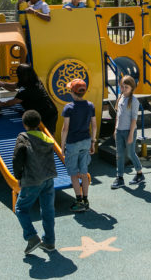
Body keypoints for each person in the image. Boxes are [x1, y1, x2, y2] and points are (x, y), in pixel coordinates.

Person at [13, 110, 57, 255]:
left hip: (32, 179)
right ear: (39, 123)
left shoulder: (23, 137)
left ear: (24, 124)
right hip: (48, 177)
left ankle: (32, 237)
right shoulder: (46, 137)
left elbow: (18, 157)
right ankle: (49, 241)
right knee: (48, 210)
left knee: (20, 208)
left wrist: (19, 176)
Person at [60, 78, 96, 212]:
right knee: (84, 172)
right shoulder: (90, 105)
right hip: (86, 141)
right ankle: (86, 199)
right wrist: (93, 141)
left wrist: (62, 146)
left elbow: (65, 129)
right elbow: (94, 126)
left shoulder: (68, 107)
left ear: (72, 92)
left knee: (74, 174)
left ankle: (79, 200)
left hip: (73, 143)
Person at [0, 63, 58, 135]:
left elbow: (13, 102)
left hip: (48, 114)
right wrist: (0, 83)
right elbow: (15, 86)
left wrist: (0, 103)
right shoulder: (33, 80)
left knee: (48, 135)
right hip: (47, 109)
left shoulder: (28, 90)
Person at [110, 75, 145, 189]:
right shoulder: (120, 97)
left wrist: (130, 134)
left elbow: (134, 119)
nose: (123, 89)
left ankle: (139, 174)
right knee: (119, 155)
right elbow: (118, 116)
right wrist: (115, 129)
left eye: (126, 87)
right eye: (122, 86)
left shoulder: (134, 101)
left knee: (130, 153)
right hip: (119, 131)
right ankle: (120, 177)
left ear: (132, 88)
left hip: (129, 132)